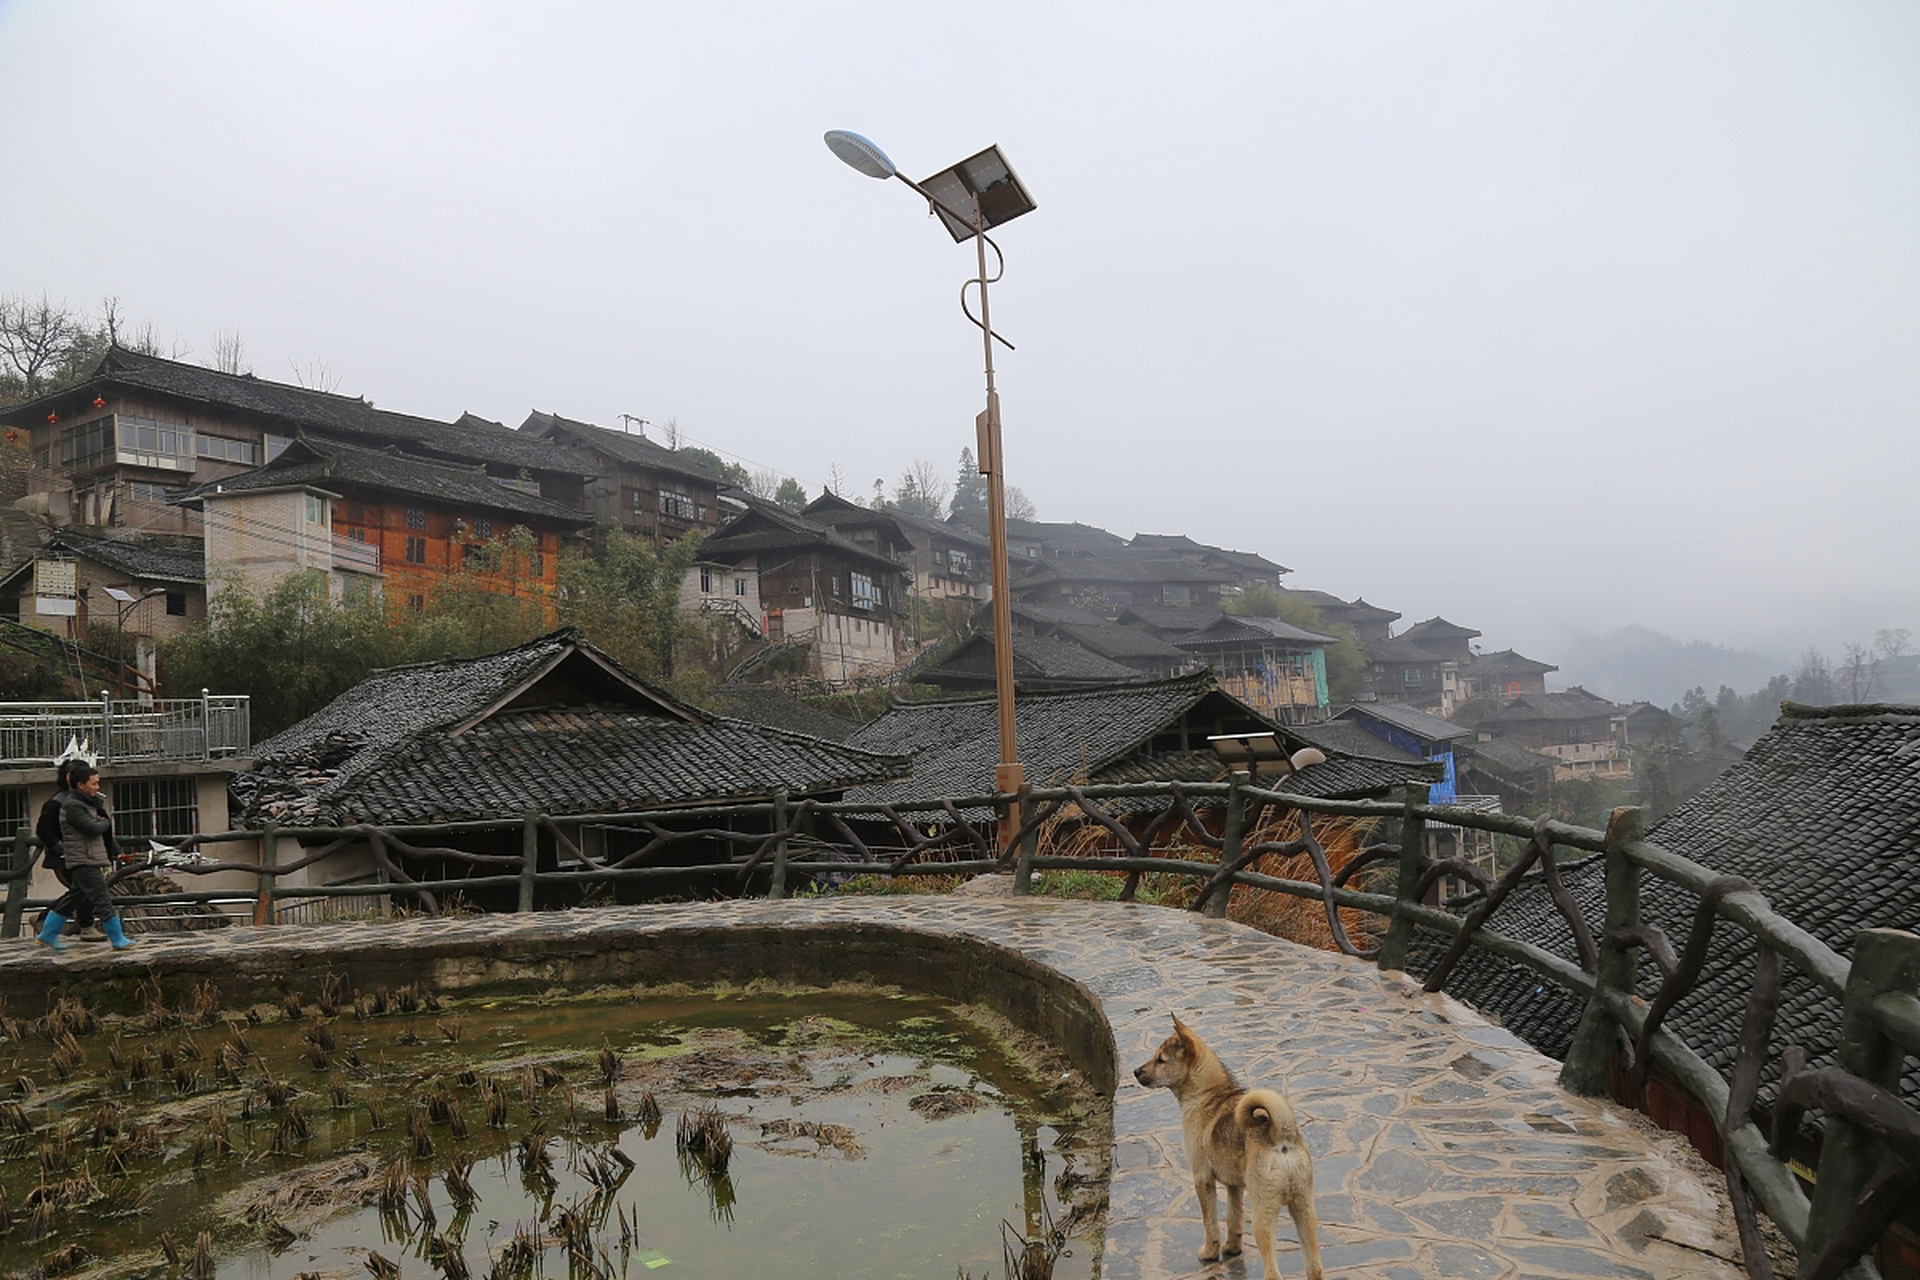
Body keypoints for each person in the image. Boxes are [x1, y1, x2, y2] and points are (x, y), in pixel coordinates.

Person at [36, 764, 132, 952]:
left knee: (75, 896)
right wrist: (103, 822)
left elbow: (100, 831)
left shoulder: (88, 802)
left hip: (89, 856)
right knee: (102, 897)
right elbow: (92, 828)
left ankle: (48, 932)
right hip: (82, 858)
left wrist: (114, 848)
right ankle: (117, 938)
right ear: (80, 784)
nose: (97, 787)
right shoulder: (71, 805)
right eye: (94, 783)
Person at [33, 760, 101, 942]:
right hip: (64, 858)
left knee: (81, 890)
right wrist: (62, 849)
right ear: (73, 779)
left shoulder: (86, 800)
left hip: (84, 854)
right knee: (82, 890)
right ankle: (85, 926)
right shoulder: (57, 803)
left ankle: (50, 920)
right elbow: (43, 830)